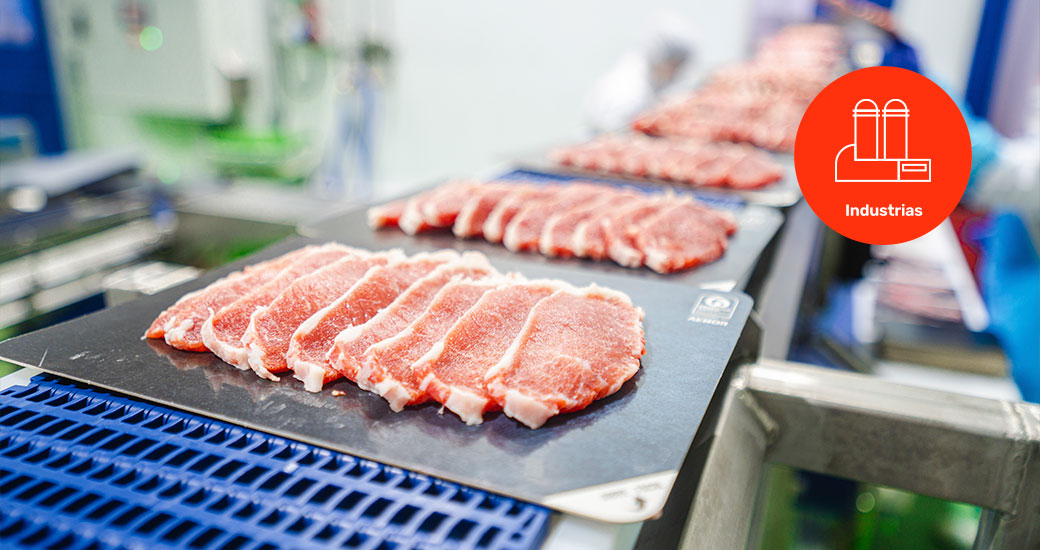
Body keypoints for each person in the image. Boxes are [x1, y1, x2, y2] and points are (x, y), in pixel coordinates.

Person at [583, 14, 695, 134]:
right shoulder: (627, 91)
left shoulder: (650, 73)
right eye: (675, 65)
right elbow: (612, 135)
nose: (678, 73)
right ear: (660, 57)